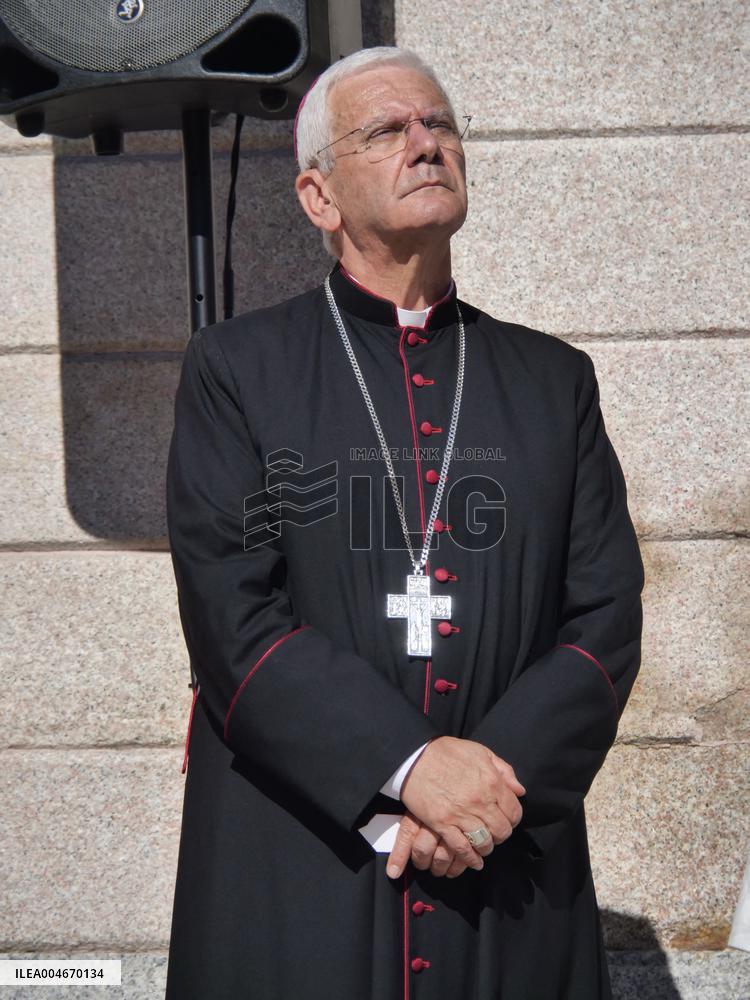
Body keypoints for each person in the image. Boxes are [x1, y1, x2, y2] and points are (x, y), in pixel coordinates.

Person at [164, 45, 644, 999]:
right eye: (387, 130)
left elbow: (604, 619)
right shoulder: (236, 369)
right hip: (303, 862)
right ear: (319, 198)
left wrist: (483, 794)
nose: (426, 144)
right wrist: (407, 764)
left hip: (502, 859)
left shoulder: (554, 381)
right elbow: (232, 614)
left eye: (440, 124)